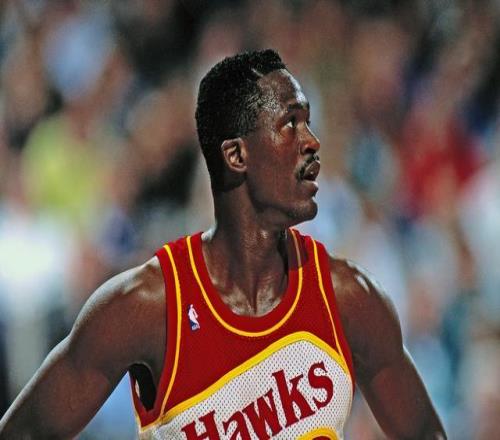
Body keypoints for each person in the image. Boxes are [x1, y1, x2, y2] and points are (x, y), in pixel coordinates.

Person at [0, 49, 446, 439]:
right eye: (290, 124)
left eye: (308, 123)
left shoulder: (349, 297)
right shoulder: (147, 306)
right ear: (236, 156)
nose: (312, 142)